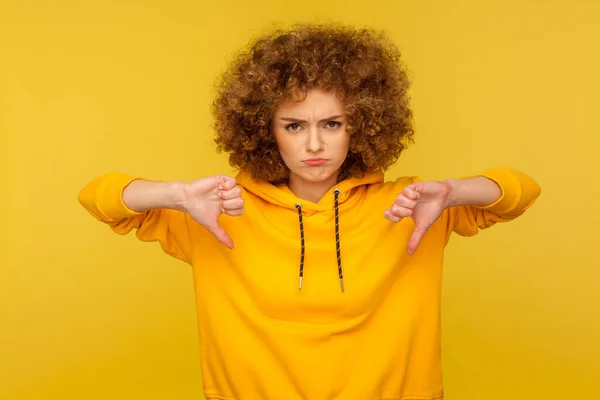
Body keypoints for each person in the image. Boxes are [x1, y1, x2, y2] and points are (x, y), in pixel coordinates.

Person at [78, 23, 541, 400]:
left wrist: (455, 192)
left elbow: (521, 191)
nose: (315, 144)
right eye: (295, 125)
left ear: (361, 126)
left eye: (332, 124)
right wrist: (176, 195)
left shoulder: (412, 207)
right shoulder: (215, 212)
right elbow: (99, 196)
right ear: (265, 130)